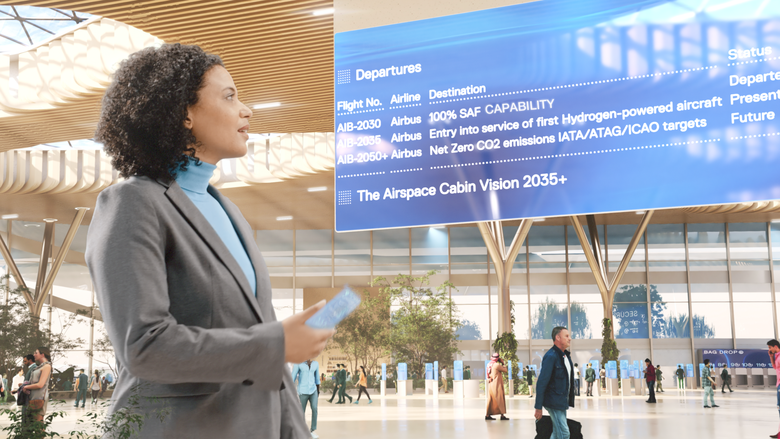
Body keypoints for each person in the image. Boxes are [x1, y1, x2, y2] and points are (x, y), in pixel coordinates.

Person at [85, 43, 334, 438]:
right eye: (230, 96)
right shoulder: (133, 202)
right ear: (184, 113)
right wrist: (276, 344)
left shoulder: (228, 210)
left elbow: (262, 352)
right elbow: (144, 347)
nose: (246, 109)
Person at [534, 326, 575, 439]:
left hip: (561, 401)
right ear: (557, 337)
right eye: (566, 336)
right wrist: (538, 407)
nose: (569, 338)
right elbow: (542, 382)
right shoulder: (551, 356)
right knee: (564, 433)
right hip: (553, 401)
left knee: (557, 434)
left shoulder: (565, 356)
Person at [22, 347, 52, 431]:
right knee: (34, 424)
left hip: (39, 398)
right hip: (33, 397)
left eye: (36, 353)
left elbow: (40, 384)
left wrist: (26, 387)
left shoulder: (46, 366)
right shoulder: (40, 366)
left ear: (42, 354)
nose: (34, 354)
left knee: (38, 424)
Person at [291, 359, 320, 437]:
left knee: (314, 408)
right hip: (302, 391)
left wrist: (318, 391)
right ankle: (302, 430)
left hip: (313, 390)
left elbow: (317, 378)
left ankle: (312, 430)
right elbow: (292, 377)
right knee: (301, 412)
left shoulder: (316, 364)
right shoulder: (298, 363)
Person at [486, 354, 509, 421]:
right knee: (500, 398)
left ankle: (487, 415)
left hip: (491, 383)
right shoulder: (496, 365)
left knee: (491, 400)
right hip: (497, 384)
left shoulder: (489, 364)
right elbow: (505, 370)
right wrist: (503, 363)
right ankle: (502, 415)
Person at [768, 339, 780, 438]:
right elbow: (775, 367)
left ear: (775, 346)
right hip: (778, 384)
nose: (769, 349)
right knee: (779, 407)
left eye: (770, 347)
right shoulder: (777, 355)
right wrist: (771, 357)